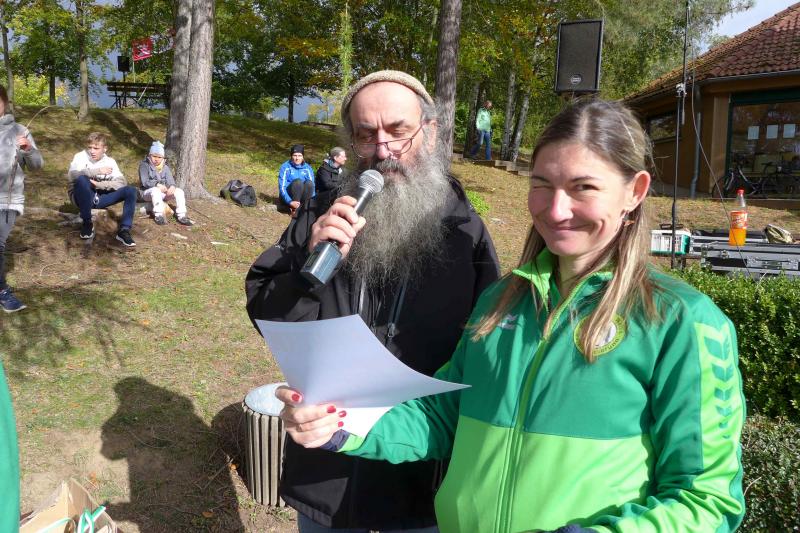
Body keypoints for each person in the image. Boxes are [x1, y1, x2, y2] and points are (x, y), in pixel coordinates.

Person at [276, 99, 746, 532]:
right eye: (542, 185)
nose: (556, 210)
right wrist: (337, 423)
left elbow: (708, 501)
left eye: (583, 187)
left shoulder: (682, 322)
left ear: (634, 191)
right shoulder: (501, 300)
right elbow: (442, 418)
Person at [246, 70, 500, 532]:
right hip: (326, 470)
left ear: (431, 132)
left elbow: (486, 350)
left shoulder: (466, 233)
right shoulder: (322, 213)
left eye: (399, 132)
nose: (384, 150)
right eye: (367, 135)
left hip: (419, 480)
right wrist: (306, 266)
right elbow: (267, 315)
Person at [0, 84, 42, 312]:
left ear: (5, 103)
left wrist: (28, 149)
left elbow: (37, 165)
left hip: (7, 200)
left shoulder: (19, 130)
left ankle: (2, 291)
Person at [68, 132, 137, 246]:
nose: (92, 151)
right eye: (90, 147)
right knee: (82, 179)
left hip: (99, 197)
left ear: (105, 149)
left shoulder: (110, 162)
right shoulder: (80, 157)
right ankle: (87, 223)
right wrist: (98, 171)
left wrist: (99, 184)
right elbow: (72, 176)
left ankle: (124, 231)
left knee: (131, 190)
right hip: (80, 197)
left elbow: (122, 182)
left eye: (96, 148)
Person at [138, 140, 193, 226]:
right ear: (149, 155)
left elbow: (171, 181)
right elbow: (144, 182)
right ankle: (159, 215)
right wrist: (156, 184)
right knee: (155, 190)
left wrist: (172, 187)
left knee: (179, 191)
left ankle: (181, 215)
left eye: (159, 157)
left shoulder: (165, 167)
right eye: (154, 156)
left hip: (162, 193)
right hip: (147, 193)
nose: (156, 159)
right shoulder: (144, 165)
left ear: (163, 158)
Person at [278, 144, 315, 217]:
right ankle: (294, 210)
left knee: (309, 183)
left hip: (301, 197)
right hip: (288, 198)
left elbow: (312, 188)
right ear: (291, 156)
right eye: (295, 155)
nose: (297, 158)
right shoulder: (285, 166)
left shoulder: (308, 168)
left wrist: (312, 203)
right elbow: (282, 187)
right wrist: (290, 201)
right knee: (298, 182)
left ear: (303, 156)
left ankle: (305, 208)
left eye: (299, 155)